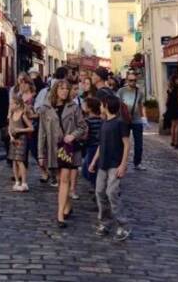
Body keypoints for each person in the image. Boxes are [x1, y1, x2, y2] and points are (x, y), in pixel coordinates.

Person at [38, 80, 87, 228]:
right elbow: (42, 132)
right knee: (60, 180)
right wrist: (40, 154)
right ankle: (68, 206)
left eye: (67, 89)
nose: (64, 91)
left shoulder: (74, 107)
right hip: (53, 148)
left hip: (68, 147)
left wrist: (73, 135)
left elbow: (83, 126)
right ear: (55, 90)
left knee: (65, 179)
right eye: (61, 88)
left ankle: (59, 215)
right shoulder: (46, 108)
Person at [89, 94, 131, 241]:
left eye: (101, 105)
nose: (100, 107)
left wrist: (123, 164)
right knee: (100, 192)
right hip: (103, 164)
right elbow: (101, 145)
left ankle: (123, 225)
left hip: (115, 164)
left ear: (106, 106)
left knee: (112, 192)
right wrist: (94, 161)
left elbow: (127, 145)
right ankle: (105, 223)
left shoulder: (120, 123)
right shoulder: (104, 123)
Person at [117, 70, 146, 170]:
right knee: (123, 142)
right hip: (124, 119)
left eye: (134, 80)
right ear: (127, 80)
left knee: (139, 143)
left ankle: (137, 163)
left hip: (137, 120)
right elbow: (117, 105)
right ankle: (121, 163)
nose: (133, 82)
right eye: (130, 80)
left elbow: (141, 105)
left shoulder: (139, 92)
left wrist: (144, 117)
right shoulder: (121, 91)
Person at [8, 95, 33, 191]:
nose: (11, 105)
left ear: (18, 105)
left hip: (22, 138)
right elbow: (10, 127)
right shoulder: (11, 114)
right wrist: (11, 136)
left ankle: (24, 182)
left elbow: (31, 128)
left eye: (12, 104)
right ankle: (17, 181)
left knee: (20, 160)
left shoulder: (23, 115)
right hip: (13, 139)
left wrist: (20, 130)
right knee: (14, 160)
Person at [81, 97, 103, 192]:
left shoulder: (87, 121)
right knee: (96, 166)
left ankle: (95, 185)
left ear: (89, 108)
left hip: (91, 146)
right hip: (100, 146)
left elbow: (85, 135)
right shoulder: (102, 120)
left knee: (89, 167)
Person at [164, 75, 178, 148]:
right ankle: (176, 142)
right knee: (177, 125)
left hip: (171, 108)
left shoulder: (169, 89)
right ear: (175, 80)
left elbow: (167, 100)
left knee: (173, 125)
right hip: (177, 108)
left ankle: (172, 141)